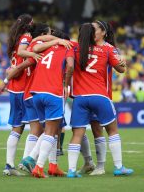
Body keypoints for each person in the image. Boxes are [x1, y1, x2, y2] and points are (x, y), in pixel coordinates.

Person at [67, 21, 133, 178]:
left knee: (83, 133)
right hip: (99, 96)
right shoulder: (107, 49)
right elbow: (122, 69)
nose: (91, 31)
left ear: (104, 32)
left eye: (94, 29)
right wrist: (123, 63)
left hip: (81, 97)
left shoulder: (77, 47)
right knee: (110, 131)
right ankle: (117, 166)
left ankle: (77, 169)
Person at [28, 31, 74, 178]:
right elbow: (71, 66)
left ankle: (53, 166)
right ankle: (38, 166)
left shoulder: (44, 46)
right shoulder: (69, 47)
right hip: (53, 92)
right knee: (51, 131)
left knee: (51, 130)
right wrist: (66, 85)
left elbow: (34, 49)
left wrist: (52, 40)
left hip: (36, 93)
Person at [3, 14, 41, 176]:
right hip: (24, 87)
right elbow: (22, 52)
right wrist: (32, 54)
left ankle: (9, 165)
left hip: (14, 88)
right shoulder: (26, 36)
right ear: (27, 24)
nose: (33, 24)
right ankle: (26, 161)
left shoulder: (13, 39)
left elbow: (16, 56)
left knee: (17, 128)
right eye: (31, 22)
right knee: (37, 128)